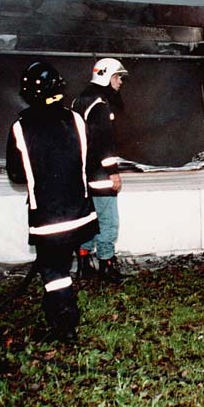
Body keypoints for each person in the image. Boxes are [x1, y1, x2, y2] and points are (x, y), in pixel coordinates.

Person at [6, 61, 98, 343]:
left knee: (54, 270)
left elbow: (16, 174)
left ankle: (65, 323)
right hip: (80, 214)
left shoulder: (20, 127)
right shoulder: (77, 120)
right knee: (58, 264)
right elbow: (90, 163)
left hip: (48, 218)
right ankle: (54, 307)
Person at [71, 58, 128, 282]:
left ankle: (84, 265)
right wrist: (113, 171)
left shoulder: (79, 100)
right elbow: (104, 142)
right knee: (108, 221)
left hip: (82, 176)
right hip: (101, 177)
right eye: (118, 76)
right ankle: (106, 265)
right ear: (107, 76)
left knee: (88, 220)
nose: (121, 81)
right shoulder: (100, 105)